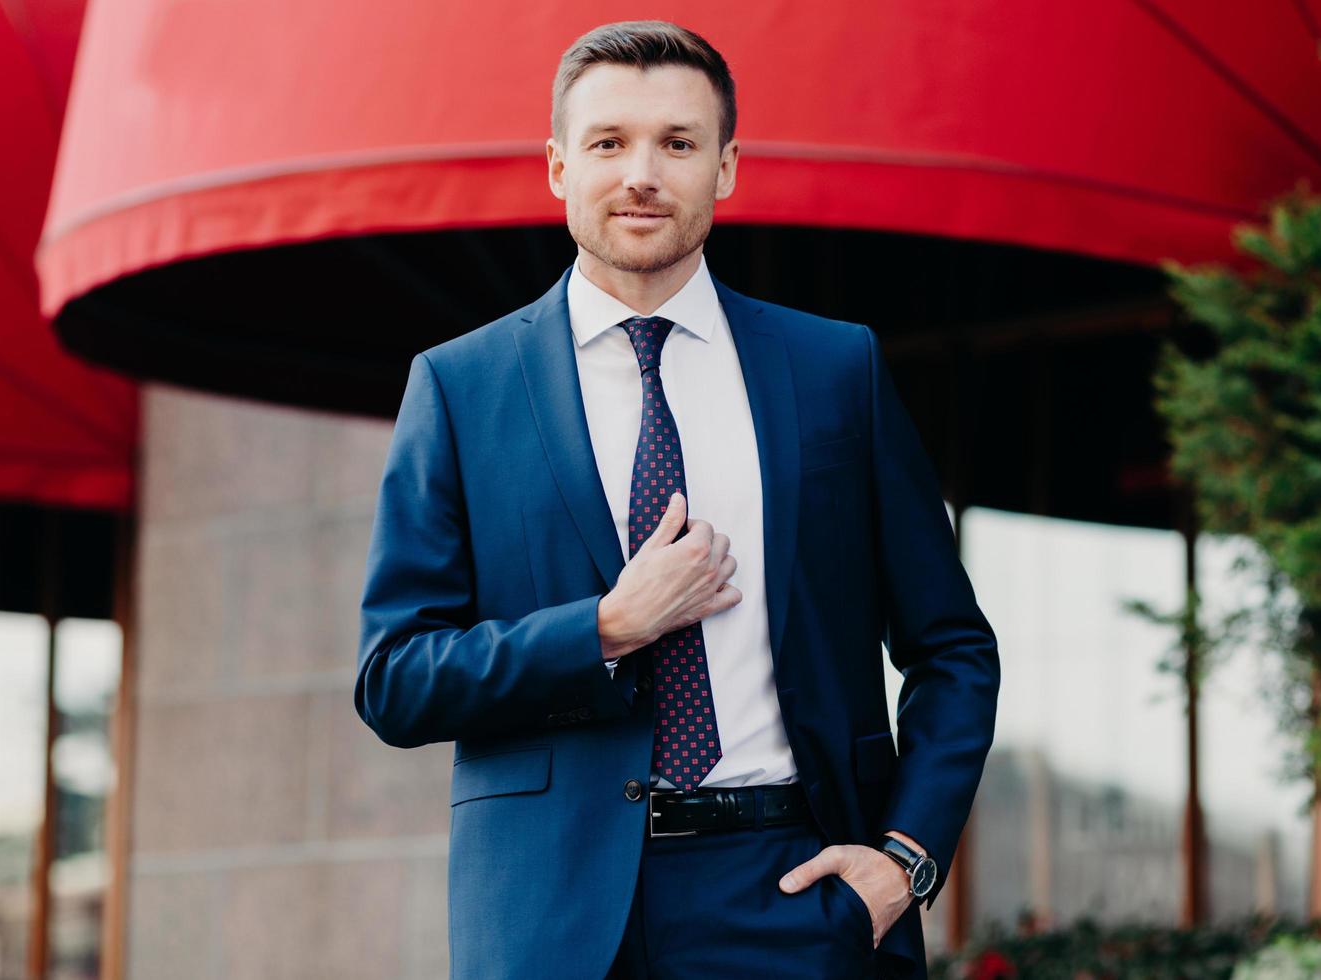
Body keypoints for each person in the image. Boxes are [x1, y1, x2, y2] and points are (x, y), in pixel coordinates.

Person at [355, 19, 999, 980]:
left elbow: (952, 648)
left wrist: (905, 859)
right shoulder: (460, 387)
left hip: (790, 894)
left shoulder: (834, 370)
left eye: (679, 143)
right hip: (550, 916)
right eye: (609, 143)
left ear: (727, 169)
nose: (641, 174)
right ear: (558, 167)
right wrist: (604, 628)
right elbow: (396, 677)